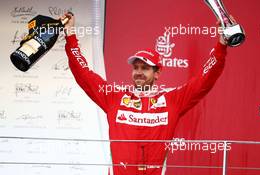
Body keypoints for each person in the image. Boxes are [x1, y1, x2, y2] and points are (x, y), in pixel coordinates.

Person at [63, 12, 228, 175]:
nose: (139, 72)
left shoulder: (172, 101)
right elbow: (83, 73)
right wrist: (70, 34)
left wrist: (221, 44)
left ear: (157, 73)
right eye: (136, 68)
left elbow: (205, 79)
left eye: (145, 68)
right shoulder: (114, 97)